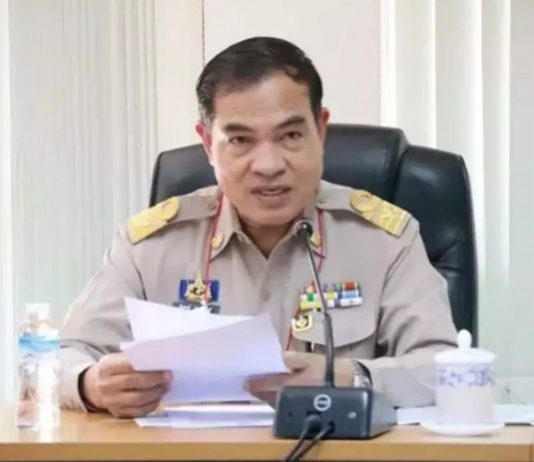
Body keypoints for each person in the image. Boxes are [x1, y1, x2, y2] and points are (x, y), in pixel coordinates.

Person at [59, 36, 457, 418]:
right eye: (240, 141)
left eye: (290, 135)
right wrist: (90, 384)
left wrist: (346, 377)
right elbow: (59, 358)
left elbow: (444, 371)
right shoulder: (149, 246)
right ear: (207, 143)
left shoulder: (384, 241)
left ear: (320, 131)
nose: (268, 165)